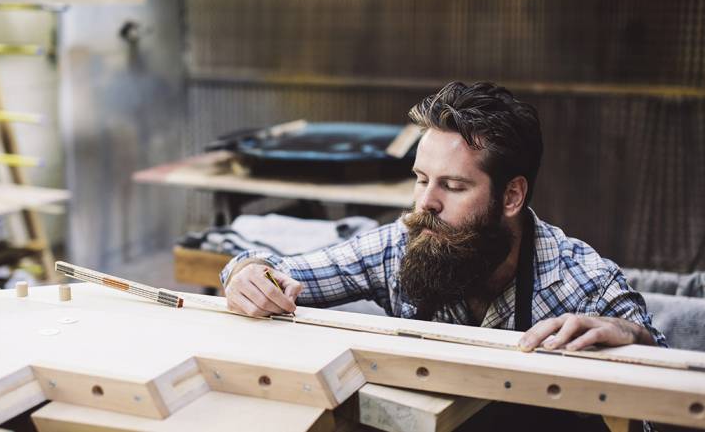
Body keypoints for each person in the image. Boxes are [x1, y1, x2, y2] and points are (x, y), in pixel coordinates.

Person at [219, 81, 665, 352]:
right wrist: (247, 273)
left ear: (511, 196)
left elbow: (668, 369)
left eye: (452, 186)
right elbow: (283, 272)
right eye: (420, 178)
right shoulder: (403, 245)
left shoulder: (578, 280)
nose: (425, 203)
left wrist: (629, 335)